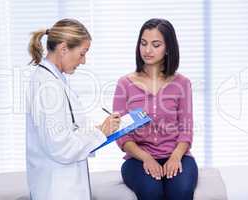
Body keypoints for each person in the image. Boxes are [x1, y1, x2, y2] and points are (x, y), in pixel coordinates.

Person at [26, 18, 120, 200]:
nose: (83, 61)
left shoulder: (53, 81)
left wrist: (101, 130)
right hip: (57, 189)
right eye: (82, 53)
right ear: (63, 49)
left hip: (61, 185)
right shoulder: (47, 87)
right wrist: (100, 134)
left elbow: (68, 130)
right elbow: (61, 147)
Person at [113, 18, 198, 200]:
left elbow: (186, 129)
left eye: (155, 44)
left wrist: (175, 156)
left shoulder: (182, 83)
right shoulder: (124, 84)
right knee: (152, 191)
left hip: (177, 154)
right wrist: (146, 157)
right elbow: (121, 134)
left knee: (181, 191)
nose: (147, 50)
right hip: (137, 159)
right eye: (143, 43)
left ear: (168, 48)